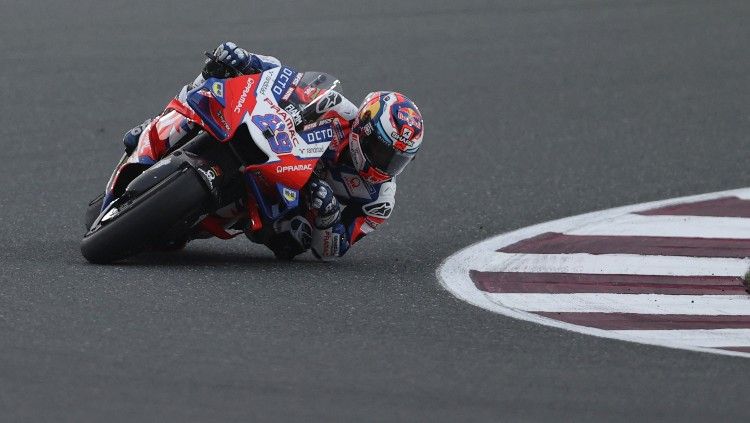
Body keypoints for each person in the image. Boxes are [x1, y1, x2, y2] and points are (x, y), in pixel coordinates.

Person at [123, 42, 424, 260]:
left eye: (398, 160)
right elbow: (286, 78)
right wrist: (246, 59)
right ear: (364, 129)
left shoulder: (380, 200)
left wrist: (329, 217)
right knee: (217, 77)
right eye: (383, 152)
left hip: (290, 202)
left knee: (295, 237)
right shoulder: (339, 109)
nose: (386, 165)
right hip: (277, 147)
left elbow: (332, 251)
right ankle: (159, 122)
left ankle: (208, 216)